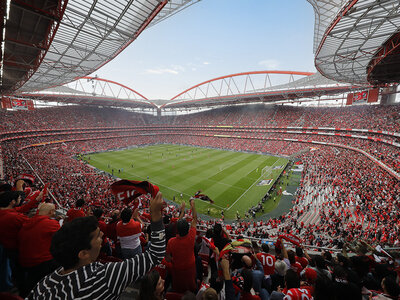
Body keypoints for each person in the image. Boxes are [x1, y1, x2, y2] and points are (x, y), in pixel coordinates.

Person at [27, 192, 165, 299]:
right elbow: (155, 254)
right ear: (83, 253)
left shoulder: (44, 283)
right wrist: (156, 215)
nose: (102, 237)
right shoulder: (104, 277)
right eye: (98, 236)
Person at [18, 203, 60, 297]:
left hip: (23, 261)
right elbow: (62, 239)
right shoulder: (51, 224)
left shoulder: (27, 221)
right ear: (51, 212)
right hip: (41, 263)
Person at [166, 198, 197, 292]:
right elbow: (195, 219)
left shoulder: (171, 242)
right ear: (187, 229)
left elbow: (167, 258)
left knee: (177, 285)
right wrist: (193, 206)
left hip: (177, 268)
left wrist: (174, 261)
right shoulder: (191, 236)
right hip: (191, 266)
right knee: (191, 284)